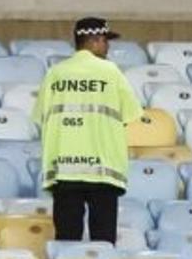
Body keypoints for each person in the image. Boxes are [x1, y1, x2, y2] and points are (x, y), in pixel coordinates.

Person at [32, 18, 143, 244]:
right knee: (102, 244)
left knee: (66, 242)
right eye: (105, 41)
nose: (108, 47)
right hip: (103, 171)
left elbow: (40, 116)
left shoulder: (55, 73)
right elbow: (131, 114)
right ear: (95, 41)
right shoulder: (110, 72)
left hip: (64, 170)